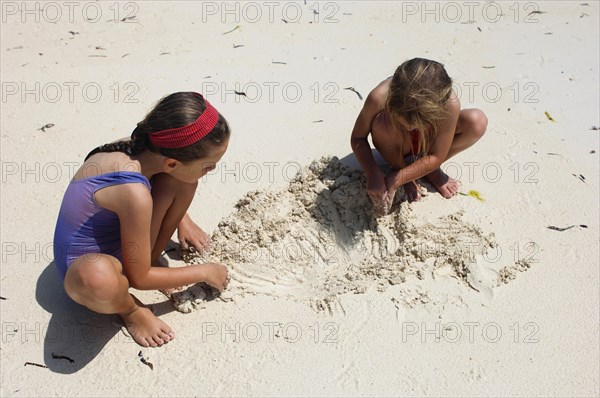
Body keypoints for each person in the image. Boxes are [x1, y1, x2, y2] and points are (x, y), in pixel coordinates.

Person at [53, 92, 230, 347]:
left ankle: (154, 263)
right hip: (88, 270)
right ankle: (130, 310)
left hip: (128, 236)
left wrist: (183, 220)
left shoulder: (137, 146)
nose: (212, 170)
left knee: (185, 181)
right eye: (209, 164)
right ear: (171, 163)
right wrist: (204, 271)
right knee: (97, 279)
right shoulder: (134, 194)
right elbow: (140, 278)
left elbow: (165, 176)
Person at [350, 58, 488, 213]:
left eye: (416, 125)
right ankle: (400, 166)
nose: (410, 129)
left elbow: (437, 156)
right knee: (382, 124)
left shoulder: (449, 103)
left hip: (429, 143)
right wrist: (372, 173)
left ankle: (427, 170)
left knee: (477, 122)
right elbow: (358, 138)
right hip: (394, 143)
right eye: (403, 123)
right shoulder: (379, 96)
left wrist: (398, 179)